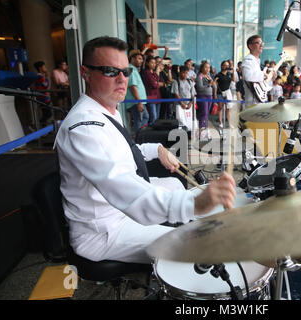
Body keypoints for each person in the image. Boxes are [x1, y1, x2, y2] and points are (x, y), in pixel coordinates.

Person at [54, 36, 236, 264]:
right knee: (195, 245)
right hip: (104, 231)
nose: (121, 79)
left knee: (177, 184)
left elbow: (120, 151)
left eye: (125, 71)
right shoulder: (82, 128)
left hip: (115, 209)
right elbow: (123, 188)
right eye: (110, 71)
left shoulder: (105, 109)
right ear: (85, 73)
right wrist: (195, 204)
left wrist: (155, 148)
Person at [242, 34, 276, 107]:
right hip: (252, 102)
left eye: (262, 43)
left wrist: (271, 78)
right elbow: (247, 76)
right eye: (258, 43)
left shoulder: (257, 62)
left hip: (260, 101)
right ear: (250, 46)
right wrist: (264, 75)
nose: (261, 45)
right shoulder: (248, 60)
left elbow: (261, 84)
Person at [125, 49, 149, 133]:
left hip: (138, 102)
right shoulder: (130, 69)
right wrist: (139, 102)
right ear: (132, 58)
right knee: (141, 119)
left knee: (142, 118)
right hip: (135, 102)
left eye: (142, 59)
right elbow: (132, 86)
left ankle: (139, 138)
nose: (141, 61)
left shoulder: (134, 69)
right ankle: (138, 139)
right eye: (139, 58)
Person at [195, 60, 217, 140]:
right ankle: (201, 130)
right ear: (202, 68)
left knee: (207, 113)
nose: (208, 69)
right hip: (202, 96)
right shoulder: (199, 76)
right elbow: (200, 88)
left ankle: (205, 130)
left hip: (209, 96)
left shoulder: (209, 76)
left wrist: (213, 83)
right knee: (203, 113)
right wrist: (209, 85)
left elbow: (214, 87)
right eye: (206, 67)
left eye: (209, 67)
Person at [171, 65, 196, 130]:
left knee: (189, 122)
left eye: (186, 73)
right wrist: (182, 103)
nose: (185, 75)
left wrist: (191, 103)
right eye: (183, 73)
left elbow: (193, 94)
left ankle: (189, 134)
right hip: (179, 105)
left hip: (189, 106)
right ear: (179, 73)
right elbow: (176, 94)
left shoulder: (190, 81)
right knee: (180, 122)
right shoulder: (176, 81)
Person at [215, 60, 236, 128]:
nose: (226, 67)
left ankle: (229, 123)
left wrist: (233, 72)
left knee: (228, 108)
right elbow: (215, 84)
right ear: (222, 66)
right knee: (220, 108)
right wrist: (215, 94)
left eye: (227, 65)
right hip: (220, 93)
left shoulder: (229, 74)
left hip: (228, 92)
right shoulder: (218, 74)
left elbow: (234, 80)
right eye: (225, 65)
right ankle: (220, 122)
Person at [142, 56, 162, 126]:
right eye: (152, 63)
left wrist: (157, 83)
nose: (154, 64)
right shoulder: (147, 72)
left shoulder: (153, 73)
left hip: (158, 97)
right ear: (147, 63)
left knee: (157, 117)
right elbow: (154, 85)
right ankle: (151, 133)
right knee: (153, 117)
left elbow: (162, 83)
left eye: (154, 63)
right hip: (151, 96)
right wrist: (157, 83)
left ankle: (156, 132)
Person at [33, 60, 52, 125]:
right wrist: (47, 77)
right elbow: (46, 85)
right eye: (44, 66)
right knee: (47, 114)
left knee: (47, 113)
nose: (45, 68)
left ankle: (43, 126)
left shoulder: (41, 76)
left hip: (44, 97)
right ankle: (41, 125)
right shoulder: (40, 76)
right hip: (43, 98)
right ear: (40, 68)